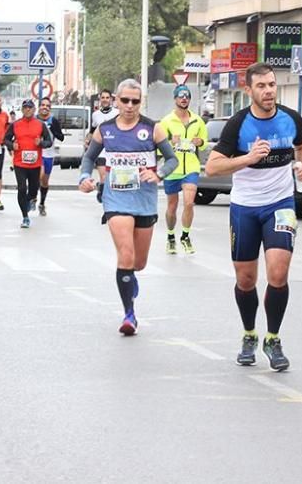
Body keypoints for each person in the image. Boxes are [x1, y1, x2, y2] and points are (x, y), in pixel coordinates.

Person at [204, 63, 302, 370]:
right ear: (248, 90)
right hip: (245, 207)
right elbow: (212, 167)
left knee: (278, 273)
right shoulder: (239, 124)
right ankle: (250, 334)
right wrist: (248, 158)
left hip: (280, 203)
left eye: (272, 85)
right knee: (246, 278)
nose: (268, 91)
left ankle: (273, 339)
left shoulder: (290, 118)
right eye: (261, 86)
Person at [79, 80, 177, 336]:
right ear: (116, 101)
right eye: (125, 101)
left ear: (140, 102)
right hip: (116, 200)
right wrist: (84, 178)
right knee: (125, 255)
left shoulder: (152, 129)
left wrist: (159, 175)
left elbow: (172, 159)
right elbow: (89, 157)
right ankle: (129, 314)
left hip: (144, 201)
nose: (130, 106)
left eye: (135, 101)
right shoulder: (105, 129)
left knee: (139, 263)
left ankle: (129, 280)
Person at [159, 85, 208, 255]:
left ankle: (185, 236)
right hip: (172, 169)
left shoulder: (198, 120)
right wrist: (171, 142)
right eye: (181, 96)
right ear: (175, 99)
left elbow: (205, 141)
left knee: (189, 202)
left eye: (187, 96)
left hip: (191, 168)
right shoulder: (166, 121)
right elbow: (158, 148)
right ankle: (171, 237)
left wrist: (200, 142)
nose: (184, 99)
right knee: (172, 207)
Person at [3, 99, 53, 228]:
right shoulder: (15, 125)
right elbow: (5, 139)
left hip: (35, 164)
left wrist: (41, 143)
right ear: (22, 110)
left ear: (34, 109)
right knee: (21, 188)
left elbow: (49, 141)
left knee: (33, 190)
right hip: (20, 163)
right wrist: (12, 145)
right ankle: (25, 217)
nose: (28, 110)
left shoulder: (40, 125)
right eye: (25, 107)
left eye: (30, 107)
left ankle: (31, 199)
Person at [37, 97, 65, 216]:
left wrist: (53, 130)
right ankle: (32, 196)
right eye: (43, 105)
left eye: (47, 106)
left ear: (50, 108)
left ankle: (42, 203)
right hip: (37, 153)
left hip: (49, 153)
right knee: (40, 174)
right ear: (39, 107)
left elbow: (61, 137)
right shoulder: (34, 119)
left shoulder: (53, 120)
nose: (45, 107)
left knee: (44, 182)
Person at [89, 89, 119, 203]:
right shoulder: (95, 115)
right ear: (99, 99)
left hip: (114, 150)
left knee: (112, 179)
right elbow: (93, 130)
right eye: (103, 98)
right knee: (103, 177)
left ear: (111, 99)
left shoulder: (117, 113)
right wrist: (89, 139)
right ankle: (105, 199)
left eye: (107, 98)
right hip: (101, 150)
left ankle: (106, 194)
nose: (105, 100)